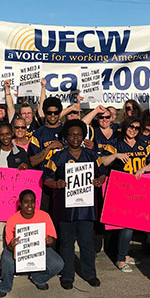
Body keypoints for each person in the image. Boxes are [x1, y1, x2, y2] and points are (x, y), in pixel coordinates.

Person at [43, 119, 107, 289]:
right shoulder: (58, 156)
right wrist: (56, 184)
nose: (75, 137)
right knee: (66, 243)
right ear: (66, 137)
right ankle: (67, 275)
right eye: (72, 134)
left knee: (86, 242)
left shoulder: (93, 156)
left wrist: (99, 180)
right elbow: (46, 178)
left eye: (79, 134)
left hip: (86, 208)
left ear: (83, 136)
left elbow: (103, 174)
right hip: (65, 209)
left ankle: (90, 274)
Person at [101, 115, 150, 272]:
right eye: (130, 127)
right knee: (126, 225)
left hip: (139, 189)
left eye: (136, 127)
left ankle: (124, 254)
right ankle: (120, 259)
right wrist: (115, 155)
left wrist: (144, 169)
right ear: (125, 127)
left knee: (132, 224)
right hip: (121, 188)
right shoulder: (115, 143)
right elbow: (101, 161)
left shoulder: (143, 144)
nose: (133, 130)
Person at [0, 189, 64, 298]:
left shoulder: (44, 216)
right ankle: (5, 286)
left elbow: (53, 239)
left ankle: (38, 278)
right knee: (6, 259)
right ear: (20, 204)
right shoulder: (13, 219)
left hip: (40, 249)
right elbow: (9, 246)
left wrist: (50, 240)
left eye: (32, 201)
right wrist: (12, 245)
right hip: (19, 251)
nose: (30, 205)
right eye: (26, 202)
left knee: (58, 264)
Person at [0, 123, 30, 268]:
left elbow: (27, 177)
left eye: (8, 134)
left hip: (16, 201)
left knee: (17, 232)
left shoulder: (20, 153)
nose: (5, 137)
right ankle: (3, 264)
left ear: (12, 133)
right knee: (0, 234)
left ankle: (21, 262)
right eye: (2, 134)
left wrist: (25, 169)